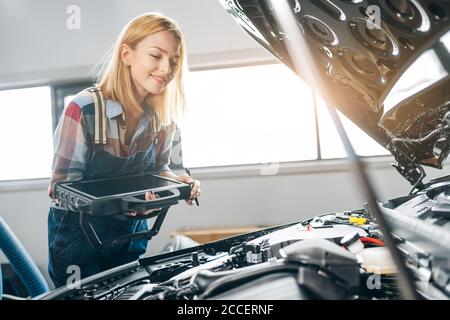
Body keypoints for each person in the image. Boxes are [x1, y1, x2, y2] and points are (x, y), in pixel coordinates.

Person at [47, 12, 200, 288]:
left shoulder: (166, 116)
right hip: (79, 242)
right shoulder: (84, 110)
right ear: (126, 54)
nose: (166, 68)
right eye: (156, 56)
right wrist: (125, 205)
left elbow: (162, 169)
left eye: (174, 61)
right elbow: (62, 190)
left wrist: (177, 183)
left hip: (129, 237)